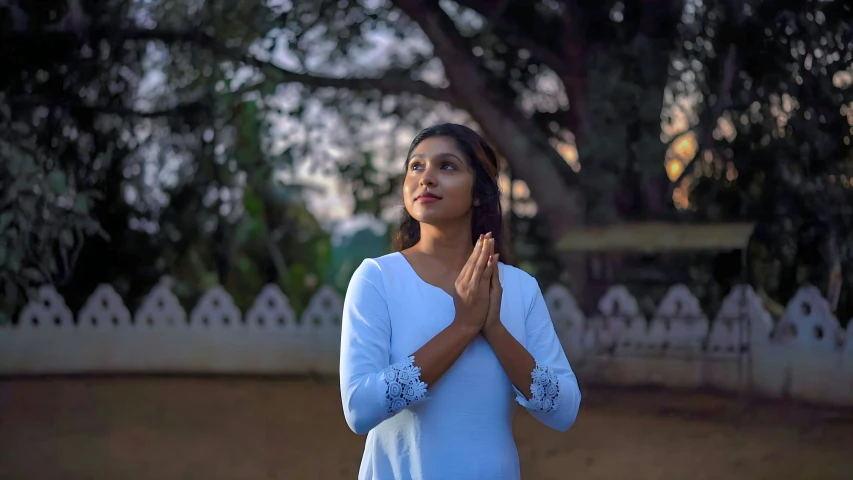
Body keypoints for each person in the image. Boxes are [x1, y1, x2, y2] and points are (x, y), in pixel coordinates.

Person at [339, 123, 582, 480]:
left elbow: (564, 410)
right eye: (416, 166)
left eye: (447, 166)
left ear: (479, 193)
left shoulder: (518, 288)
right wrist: (463, 327)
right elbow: (359, 409)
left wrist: (494, 327)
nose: (426, 178)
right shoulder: (377, 279)